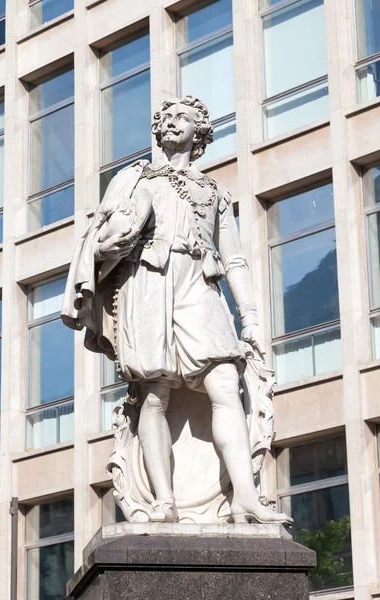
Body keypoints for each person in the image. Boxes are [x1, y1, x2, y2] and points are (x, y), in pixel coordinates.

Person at [62, 96, 292, 525]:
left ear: (199, 131)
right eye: (164, 118)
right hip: (147, 282)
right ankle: (163, 500)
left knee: (225, 379)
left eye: (180, 118)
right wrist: (111, 239)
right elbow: (100, 235)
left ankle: (244, 495)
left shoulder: (215, 192)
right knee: (153, 393)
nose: (169, 123)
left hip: (198, 283)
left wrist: (252, 320)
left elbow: (236, 259)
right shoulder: (133, 176)